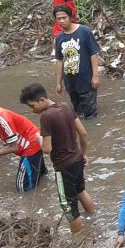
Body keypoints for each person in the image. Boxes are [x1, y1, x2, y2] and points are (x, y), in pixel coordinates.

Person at [21, 83, 95, 233]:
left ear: (41, 100)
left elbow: (47, 149)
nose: (31, 110)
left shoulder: (46, 116)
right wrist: (84, 154)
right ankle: (93, 219)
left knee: (68, 205)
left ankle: (78, 241)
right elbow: (83, 133)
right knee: (80, 190)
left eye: (32, 105)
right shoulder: (65, 106)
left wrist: (38, 139)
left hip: (64, 166)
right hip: (77, 159)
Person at [52, 5, 101, 119]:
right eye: (58, 19)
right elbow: (60, 61)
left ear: (70, 17)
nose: (62, 21)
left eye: (64, 17)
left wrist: (95, 76)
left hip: (86, 80)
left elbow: (93, 54)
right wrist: (58, 83)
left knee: (91, 114)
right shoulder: (59, 38)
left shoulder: (84, 31)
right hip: (71, 81)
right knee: (78, 114)